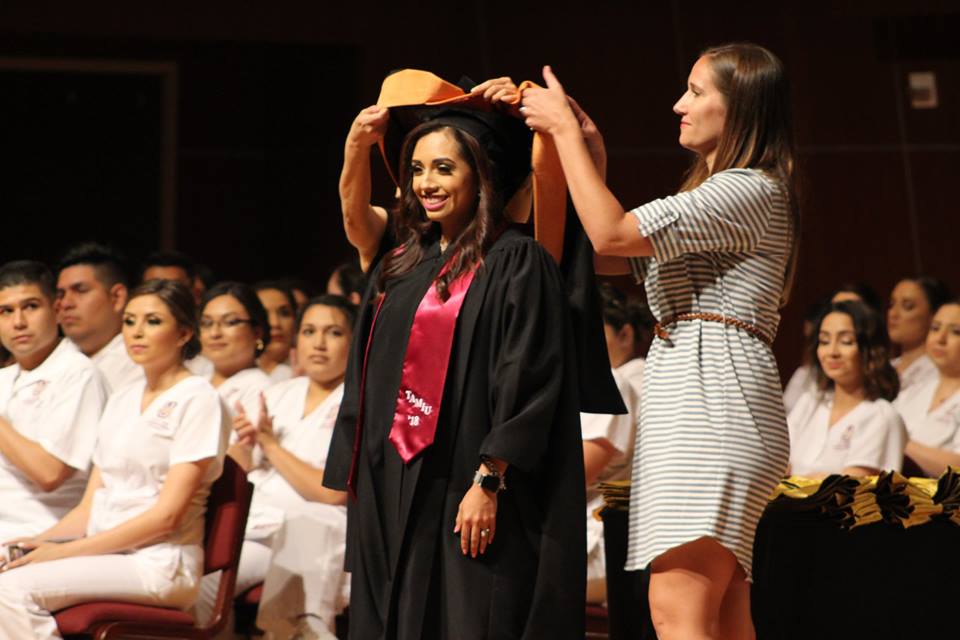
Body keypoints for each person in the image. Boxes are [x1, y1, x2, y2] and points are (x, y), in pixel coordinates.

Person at [521, 43, 798, 639]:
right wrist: (588, 154)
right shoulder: (732, 192)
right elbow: (600, 253)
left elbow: (613, 232)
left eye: (696, 92)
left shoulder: (746, 190)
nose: (679, 105)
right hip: (709, 394)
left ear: (742, 106)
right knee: (722, 616)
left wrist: (566, 133)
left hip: (712, 399)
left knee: (677, 611)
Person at [323, 99, 588, 638]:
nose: (427, 182)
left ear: (480, 175)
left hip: (466, 479)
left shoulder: (516, 260)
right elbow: (355, 217)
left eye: (445, 167)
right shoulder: (402, 261)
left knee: (466, 614)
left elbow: (529, 376)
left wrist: (489, 479)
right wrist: (356, 146)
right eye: (418, 169)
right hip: (388, 476)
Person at [0, 279, 230, 638]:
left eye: (153, 321)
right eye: (130, 321)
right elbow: (89, 507)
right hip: (109, 555)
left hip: (161, 562)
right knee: (7, 570)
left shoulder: (198, 398)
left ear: (184, 332)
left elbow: (166, 517)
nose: (137, 332)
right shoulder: (123, 398)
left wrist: (68, 553)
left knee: (8, 591)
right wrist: (34, 545)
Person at [196, 295, 354, 638]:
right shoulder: (282, 392)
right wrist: (242, 445)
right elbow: (241, 467)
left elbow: (331, 494)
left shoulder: (356, 401)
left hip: (300, 534)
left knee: (203, 591)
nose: (319, 343)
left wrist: (269, 445)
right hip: (249, 524)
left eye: (334, 332)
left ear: (355, 342)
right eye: (309, 331)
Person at [0, 260, 109, 542]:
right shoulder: (5, 377)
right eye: (6, 311)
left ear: (57, 309)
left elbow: (49, 473)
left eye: (31, 306)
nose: (18, 322)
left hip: (44, 533)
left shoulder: (78, 374)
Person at [788, 301, 906, 477]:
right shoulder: (809, 402)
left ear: (871, 349)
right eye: (824, 341)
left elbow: (849, 489)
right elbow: (778, 464)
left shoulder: (881, 415)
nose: (832, 351)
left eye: (846, 341)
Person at [583, 282, 643, 604]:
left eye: (591, 331)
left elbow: (577, 474)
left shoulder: (616, 382)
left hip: (597, 544)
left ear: (625, 334)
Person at [56, 242, 143, 392]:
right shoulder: (53, 360)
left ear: (117, 297)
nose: (65, 303)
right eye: (61, 294)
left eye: (80, 290)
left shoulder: (142, 363)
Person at [896, 298, 960, 476]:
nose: (940, 338)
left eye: (956, 332)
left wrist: (898, 443)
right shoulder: (913, 390)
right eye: (935, 328)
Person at [199, 282, 272, 420]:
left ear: (257, 332)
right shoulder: (196, 381)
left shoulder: (261, 390)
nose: (214, 333)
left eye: (230, 322)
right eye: (206, 323)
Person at [888, 276, 952, 393]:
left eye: (907, 306)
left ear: (933, 316)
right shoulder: (885, 368)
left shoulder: (936, 372)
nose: (893, 313)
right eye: (891, 304)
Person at [254, 281, 298, 384]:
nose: (275, 323)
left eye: (284, 313)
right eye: (264, 315)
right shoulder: (232, 370)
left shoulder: (311, 374)